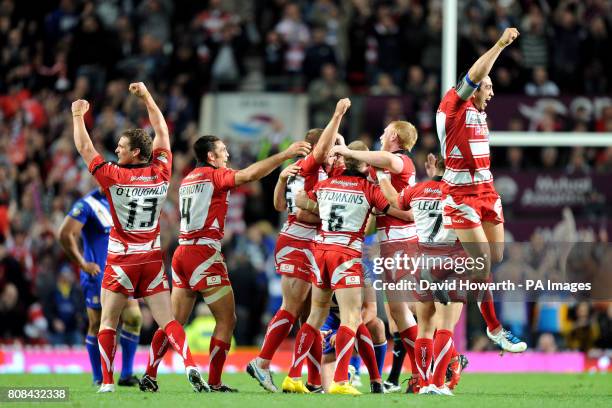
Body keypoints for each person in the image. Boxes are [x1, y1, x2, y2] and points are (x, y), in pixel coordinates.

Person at [139, 135, 310, 393]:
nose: (227, 155)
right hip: (204, 254)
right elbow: (249, 175)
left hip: (182, 253)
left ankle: (150, 374)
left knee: (174, 320)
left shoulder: (188, 179)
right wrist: (285, 155)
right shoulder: (213, 175)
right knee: (227, 319)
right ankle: (215, 381)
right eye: (223, 150)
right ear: (211, 157)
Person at [71, 82, 208, 393]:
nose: (116, 149)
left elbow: (84, 148)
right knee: (168, 321)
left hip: (120, 259)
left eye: (121, 146)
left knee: (108, 321)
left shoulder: (112, 176)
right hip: (151, 258)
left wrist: (78, 115)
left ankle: (107, 383)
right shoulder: (161, 172)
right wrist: (147, 96)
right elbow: (162, 131)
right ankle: (189, 363)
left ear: (134, 153)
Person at [247, 99, 350, 393]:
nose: (337, 150)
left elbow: (280, 204)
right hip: (299, 240)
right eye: (335, 144)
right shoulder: (313, 167)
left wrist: (280, 180)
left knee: (311, 317)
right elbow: (304, 213)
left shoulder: (302, 171)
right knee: (291, 308)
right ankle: (262, 362)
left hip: (306, 241)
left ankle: (314, 381)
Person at [283, 140, 402, 395]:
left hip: (321, 252)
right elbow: (395, 209)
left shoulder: (324, 184)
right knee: (351, 318)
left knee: (314, 318)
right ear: (363, 163)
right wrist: (414, 215)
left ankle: (293, 376)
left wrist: (322, 208)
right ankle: (340, 380)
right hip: (346, 254)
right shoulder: (368, 188)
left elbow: (302, 200)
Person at [435, 27, 526, 353]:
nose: (491, 91)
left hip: (486, 192)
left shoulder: (478, 113)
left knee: (494, 257)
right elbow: (475, 73)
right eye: (486, 86)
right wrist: (500, 44)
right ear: (469, 89)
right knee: (484, 262)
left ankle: (444, 272)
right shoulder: (453, 106)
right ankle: (494, 327)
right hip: (460, 196)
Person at [329, 121, 422, 392]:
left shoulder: (401, 161)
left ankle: (430, 369)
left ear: (394, 136)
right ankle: (422, 372)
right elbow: (360, 165)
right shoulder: (382, 166)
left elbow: (376, 160)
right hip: (392, 243)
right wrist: (344, 150)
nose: (381, 134)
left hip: (402, 242)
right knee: (399, 312)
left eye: (385, 132)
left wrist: (347, 149)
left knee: (405, 312)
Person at [378, 155, 467, 396]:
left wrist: (382, 176)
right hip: (451, 262)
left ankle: (425, 382)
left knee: (425, 327)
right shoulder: (461, 192)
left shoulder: (417, 190)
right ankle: (439, 383)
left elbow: (395, 200)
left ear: (434, 167)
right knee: (445, 326)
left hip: (424, 263)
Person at [59, 187, 142, 386]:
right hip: (97, 275)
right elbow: (65, 234)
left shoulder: (123, 203)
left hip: (122, 273)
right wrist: (82, 264)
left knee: (134, 318)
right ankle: (98, 377)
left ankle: (126, 375)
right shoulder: (88, 204)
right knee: (97, 324)